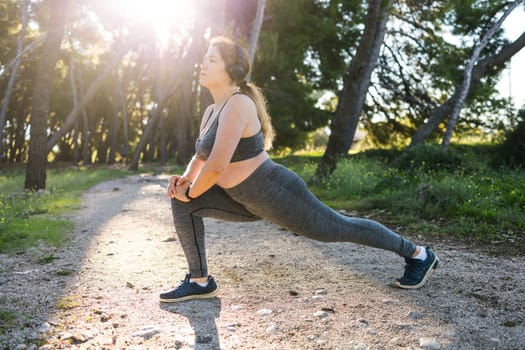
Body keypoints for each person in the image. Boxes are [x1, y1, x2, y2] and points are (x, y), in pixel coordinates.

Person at [160, 36, 439, 303]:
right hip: (243, 199)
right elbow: (201, 157)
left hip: (276, 191)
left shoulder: (238, 103)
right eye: (203, 59)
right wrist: (184, 183)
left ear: (231, 70)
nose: (202, 64)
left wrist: (191, 191)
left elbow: (218, 165)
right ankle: (199, 281)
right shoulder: (212, 111)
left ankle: (417, 254)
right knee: (183, 203)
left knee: (338, 227)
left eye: (211, 59)